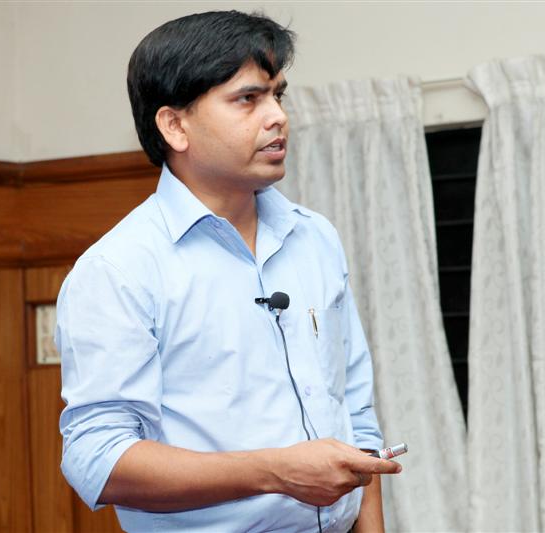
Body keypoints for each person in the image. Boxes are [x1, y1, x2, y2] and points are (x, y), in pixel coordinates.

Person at [56, 10, 401, 533]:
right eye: (248, 99)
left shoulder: (315, 238)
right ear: (175, 126)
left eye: (278, 95)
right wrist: (274, 472)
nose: (277, 116)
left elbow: (354, 411)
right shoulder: (119, 269)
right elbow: (98, 460)